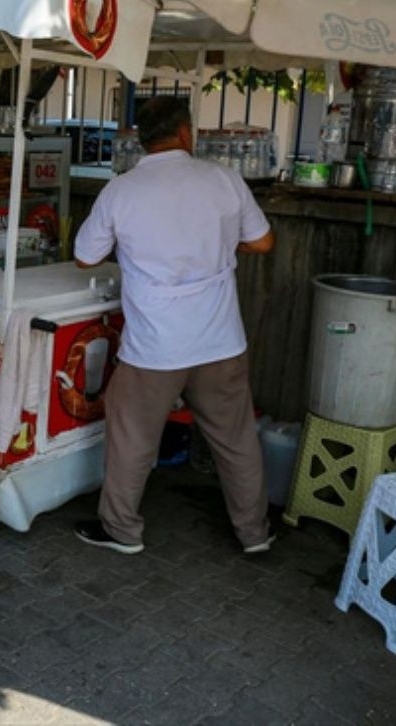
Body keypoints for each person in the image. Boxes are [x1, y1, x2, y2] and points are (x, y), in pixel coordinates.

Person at [71, 97, 276, 556]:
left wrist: (130, 246)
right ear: (187, 133)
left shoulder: (121, 190)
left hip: (154, 347)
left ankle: (122, 531)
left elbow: (85, 256)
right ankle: (255, 533)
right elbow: (262, 241)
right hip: (220, 340)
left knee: (132, 440)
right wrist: (221, 247)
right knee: (235, 441)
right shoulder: (224, 179)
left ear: (142, 138)